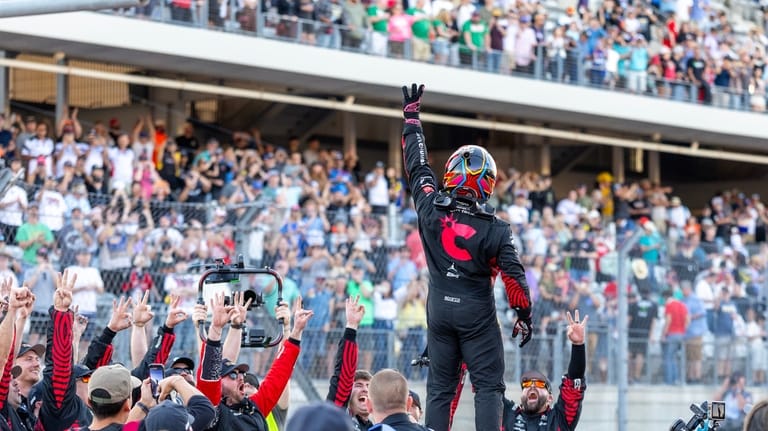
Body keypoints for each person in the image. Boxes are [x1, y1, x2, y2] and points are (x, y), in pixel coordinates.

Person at [400, 83, 533, 431]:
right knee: (488, 387)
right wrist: (523, 313)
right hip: (477, 314)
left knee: (440, 391)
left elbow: (417, 166)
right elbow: (514, 278)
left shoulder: (429, 207)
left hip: (440, 309)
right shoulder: (496, 228)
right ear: (486, 183)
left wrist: (411, 117)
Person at [502, 310, 588, 431]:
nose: (532, 386)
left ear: (550, 398)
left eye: (539, 384)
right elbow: (488, 384)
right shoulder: (507, 415)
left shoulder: (558, 419)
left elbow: (574, 384)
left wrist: (578, 345)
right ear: (521, 397)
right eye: (526, 385)